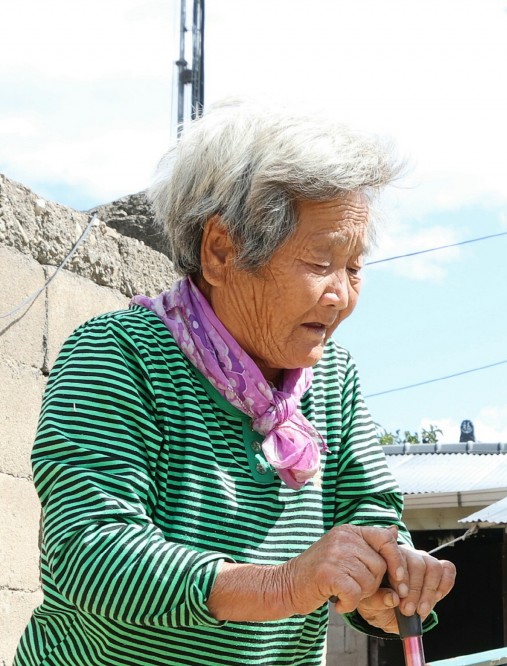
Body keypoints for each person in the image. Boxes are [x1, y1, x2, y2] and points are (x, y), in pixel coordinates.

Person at [15, 102, 455, 665]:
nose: (341, 295)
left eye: (354, 266)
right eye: (321, 262)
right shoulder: (118, 355)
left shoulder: (332, 376)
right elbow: (91, 552)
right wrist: (286, 585)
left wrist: (386, 582)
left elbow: (369, 507)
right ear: (222, 250)